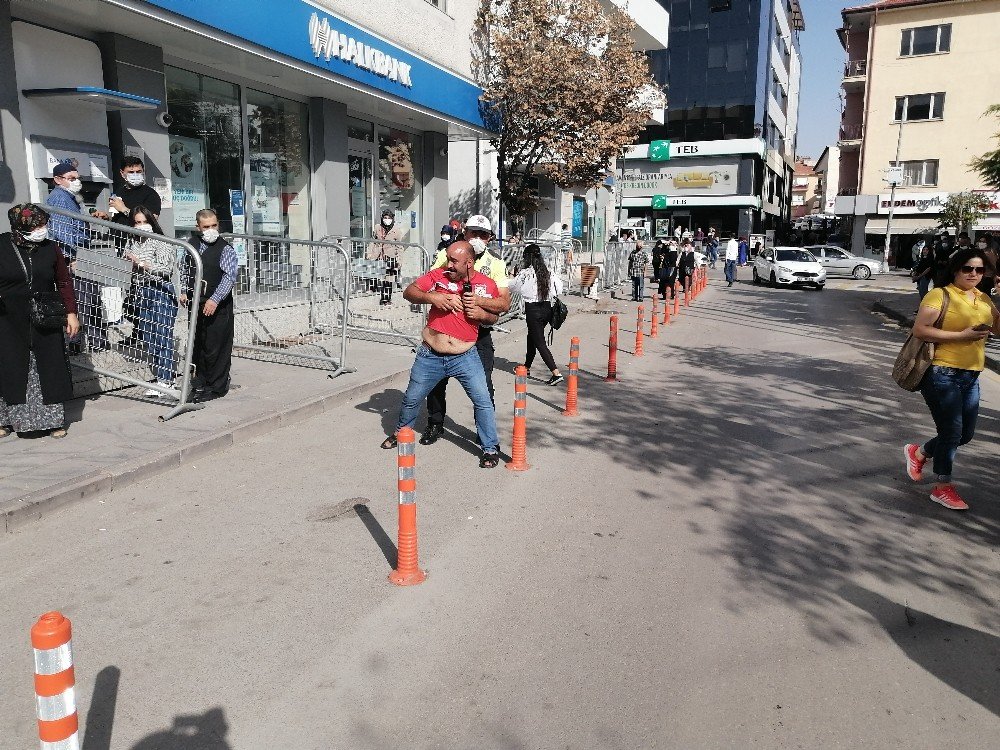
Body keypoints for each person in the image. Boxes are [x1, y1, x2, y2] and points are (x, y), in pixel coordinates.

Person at [381, 242, 501, 468]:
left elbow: (494, 316)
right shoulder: (438, 275)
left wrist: (481, 313)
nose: (449, 264)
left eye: (454, 261)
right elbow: (409, 292)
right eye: (448, 258)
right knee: (412, 398)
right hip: (430, 355)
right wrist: (434, 298)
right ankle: (401, 433)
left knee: (483, 401)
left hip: (465, 356)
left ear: (469, 262)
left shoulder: (486, 284)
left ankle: (490, 448)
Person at [904, 247, 999, 511]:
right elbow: (920, 330)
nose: (973, 274)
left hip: (971, 374)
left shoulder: (983, 298)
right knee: (951, 432)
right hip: (941, 373)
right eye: (968, 268)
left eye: (979, 269)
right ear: (956, 269)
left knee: (965, 434)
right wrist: (962, 336)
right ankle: (942, 487)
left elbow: (998, 330)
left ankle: (919, 452)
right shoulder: (940, 294)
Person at [422, 215, 510, 446]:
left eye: (483, 235)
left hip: (477, 334)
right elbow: (430, 286)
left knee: (484, 387)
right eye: (473, 233)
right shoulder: (447, 255)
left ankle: (485, 434)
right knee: (435, 382)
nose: (477, 238)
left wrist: (479, 303)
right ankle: (435, 423)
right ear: (464, 233)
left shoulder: (496, 264)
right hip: (444, 331)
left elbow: (504, 303)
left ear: (489, 238)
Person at [0, 204, 81, 439]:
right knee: (9, 366)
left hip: (45, 315)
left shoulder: (50, 248)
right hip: (8, 317)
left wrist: (71, 313)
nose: (42, 229)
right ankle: (6, 420)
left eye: (44, 224)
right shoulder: (2, 245)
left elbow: (63, 281)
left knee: (49, 366)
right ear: (20, 226)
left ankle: (53, 421)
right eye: (36, 226)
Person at [46, 161, 110, 353]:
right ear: (58, 180)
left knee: (87, 298)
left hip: (79, 253)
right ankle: (83, 341)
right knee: (83, 300)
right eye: (71, 178)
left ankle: (87, 341)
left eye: (77, 178)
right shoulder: (60, 198)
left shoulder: (69, 197)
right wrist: (74, 257)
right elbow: (63, 231)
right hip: (74, 257)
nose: (76, 181)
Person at [124, 206, 179, 399]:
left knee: (162, 336)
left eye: (145, 222)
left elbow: (165, 268)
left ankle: (166, 380)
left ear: (152, 222)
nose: (141, 226)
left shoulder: (161, 241)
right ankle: (161, 378)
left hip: (160, 290)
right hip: (141, 290)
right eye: (137, 222)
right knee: (149, 338)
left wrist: (141, 263)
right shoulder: (132, 241)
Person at [183, 209, 237, 403]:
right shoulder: (191, 244)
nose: (211, 230)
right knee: (199, 344)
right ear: (198, 227)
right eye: (206, 227)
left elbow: (229, 277)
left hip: (217, 303)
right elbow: (186, 268)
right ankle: (201, 381)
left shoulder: (225, 249)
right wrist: (184, 290)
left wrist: (215, 299)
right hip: (197, 302)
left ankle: (217, 386)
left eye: (214, 225)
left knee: (216, 346)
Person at [509, 244, 564, 385]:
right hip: (547, 308)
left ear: (527, 257)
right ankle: (527, 366)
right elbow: (559, 288)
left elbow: (513, 287)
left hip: (533, 310)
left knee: (539, 342)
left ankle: (556, 373)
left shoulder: (526, 273)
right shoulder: (547, 271)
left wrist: (511, 275)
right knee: (532, 337)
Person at [109, 156, 161, 224]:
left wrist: (124, 209)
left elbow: (151, 220)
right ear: (122, 173)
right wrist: (106, 217)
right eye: (131, 172)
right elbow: (118, 217)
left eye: (139, 172)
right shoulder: (119, 191)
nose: (135, 175)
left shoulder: (150, 194)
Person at [366, 208, 402, 305]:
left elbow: (400, 247)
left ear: (392, 219)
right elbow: (373, 241)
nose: (387, 220)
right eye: (385, 217)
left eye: (389, 218)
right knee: (375, 275)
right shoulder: (377, 227)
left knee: (388, 280)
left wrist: (399, 260)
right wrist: (369, 253)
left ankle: (386, 299)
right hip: (378, 256)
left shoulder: (396, 231)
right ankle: (372, 289)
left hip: (390, 257)